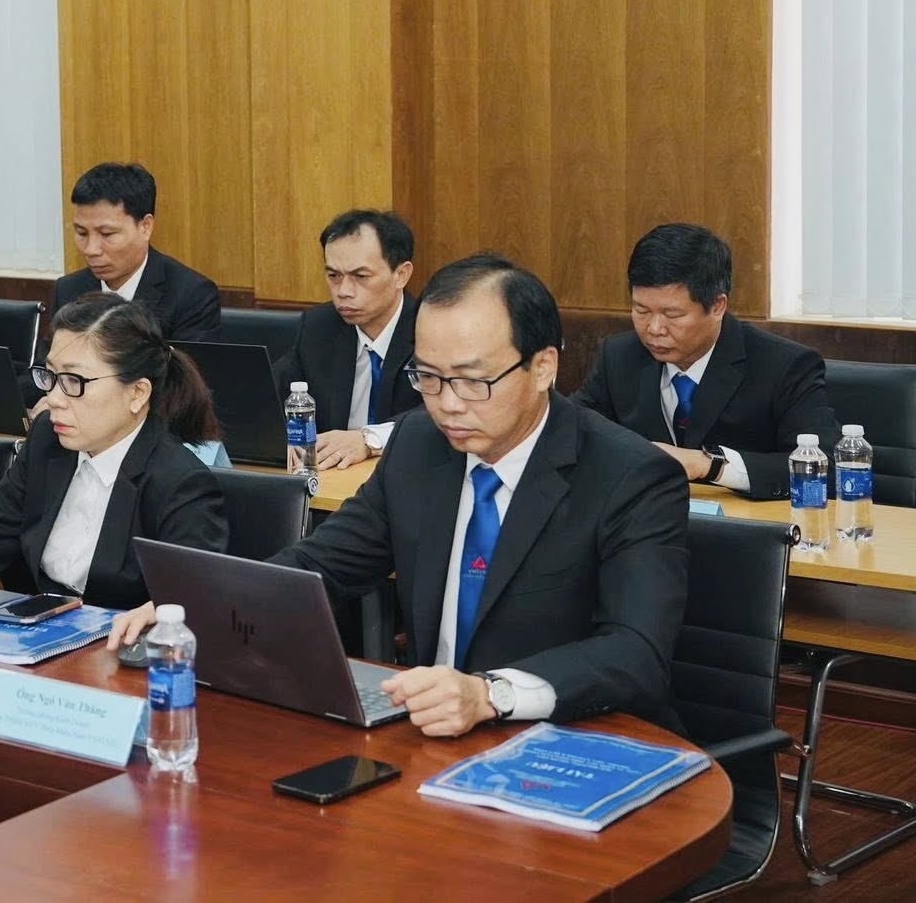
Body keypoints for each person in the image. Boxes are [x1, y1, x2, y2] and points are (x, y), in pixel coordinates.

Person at [112, 253, 689, 738]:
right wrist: (202, 604)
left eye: (473, 380)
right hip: (432, 737)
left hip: (573, 738)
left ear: (542, 368)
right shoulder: (419, 445)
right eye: (429, 378)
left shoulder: (628, 476)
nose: (448, 404)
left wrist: (492, 694)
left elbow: (635, 653)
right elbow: (321, 564)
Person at [0, 294, 228, 610]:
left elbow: (194, 600)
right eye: (50, 376)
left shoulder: (179, 482)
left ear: (137, 393)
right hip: (35, 630)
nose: (53, 398)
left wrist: (160, 610)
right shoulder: (47, 441)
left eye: (74, 381)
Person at [575, 223, 841, 501]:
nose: (654, 328)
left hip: (742, 524)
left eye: (672, 315)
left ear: (717, 306)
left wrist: (709, 465)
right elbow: (570, 430)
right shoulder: (619, 356)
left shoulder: (784, 366)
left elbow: (827, 468)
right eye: (641, 310)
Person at [26, 162, 220, 401]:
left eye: (107, 234)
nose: (91, 249)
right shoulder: (69, 289)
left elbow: (185, 392)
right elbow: (45, 372)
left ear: (145, 227)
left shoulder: (191, 294)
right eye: (82, 233)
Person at [274, 209, 423, 470]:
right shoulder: (318, 327)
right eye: (334, 276)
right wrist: (281, 439)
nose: (343, 291)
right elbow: (272, 397)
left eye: (360, 276)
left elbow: (440, 416)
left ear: (401, 274)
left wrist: (369, 439)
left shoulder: (430, 332)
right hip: (334, 478)